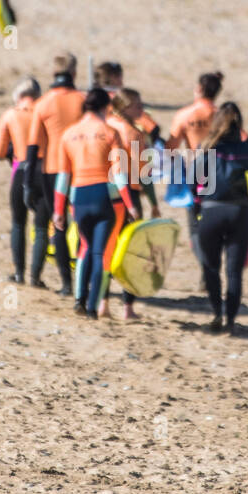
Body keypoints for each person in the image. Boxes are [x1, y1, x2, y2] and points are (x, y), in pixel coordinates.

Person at [53, 88, 137, 318]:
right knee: (100, 253)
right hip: (103, 196)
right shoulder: (109, 132)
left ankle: (79, 299)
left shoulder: (69, 134)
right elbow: (119, 174)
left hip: (78, 196)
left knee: (84, 248)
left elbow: (63, 177)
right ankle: (92, 307)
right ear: (105, 107)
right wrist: (130, 205)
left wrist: (58, 210)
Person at [195, 101, 248, 333]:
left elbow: (191, 184)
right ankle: (230, 320)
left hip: (211, 211)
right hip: (240, 212)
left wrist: (199, 205)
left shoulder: (206, 148)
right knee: (234, 271)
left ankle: (217, 312)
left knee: (210, 267)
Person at [24, 53, 85, 296]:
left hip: (51, 169)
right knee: (82, 227)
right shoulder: (83, 100)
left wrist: (28, 183)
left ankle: (66, 284)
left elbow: (32, 147)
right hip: (80, 168)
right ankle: (83, 279)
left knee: (57, 225)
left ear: (53, 73)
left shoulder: (44, 103)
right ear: (74, 73)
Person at [101, 88, 161, 321]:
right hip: (130, 198)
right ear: (124, 107)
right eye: (137, 106)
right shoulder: (134, 135)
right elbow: (145, 175)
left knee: (107, 249)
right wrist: (154, 203)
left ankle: (103, 304)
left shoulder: (103, 126)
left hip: (104, 193)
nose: (141, 109)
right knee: (131, 252)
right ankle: (127, 308)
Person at [0, 77, 47, 286]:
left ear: (19, 96)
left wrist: (11, 151)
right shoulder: (45, 113)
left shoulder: (10, 115)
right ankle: (36, 277)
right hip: (45, 171)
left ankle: (19, 273)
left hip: (21, 170)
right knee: (41, 227)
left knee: (18, 223)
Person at [165, 71, 224, 266]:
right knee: (215, 222)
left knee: (195, 225)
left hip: (195, 172)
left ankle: (206, 268)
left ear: (199, 89)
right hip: (220, 171)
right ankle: (211, 264)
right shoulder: (223, 116)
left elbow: (170, 147)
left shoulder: (184, 115)